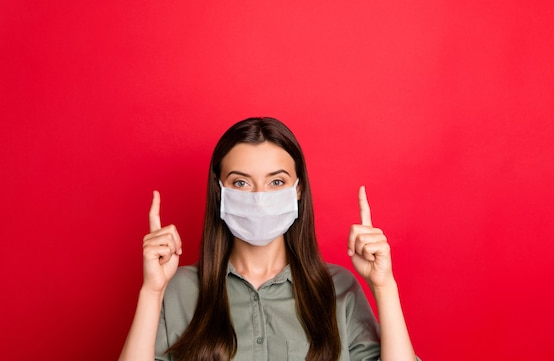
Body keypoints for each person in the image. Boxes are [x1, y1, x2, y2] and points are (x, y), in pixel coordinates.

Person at [118, 117, 418, 361]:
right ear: (220, 191)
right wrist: (152, 291)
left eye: (276, 181)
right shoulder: (180, 289)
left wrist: (384, 286)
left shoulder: (338, 288)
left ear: (298, 190)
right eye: (241, 182)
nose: (260, 198)